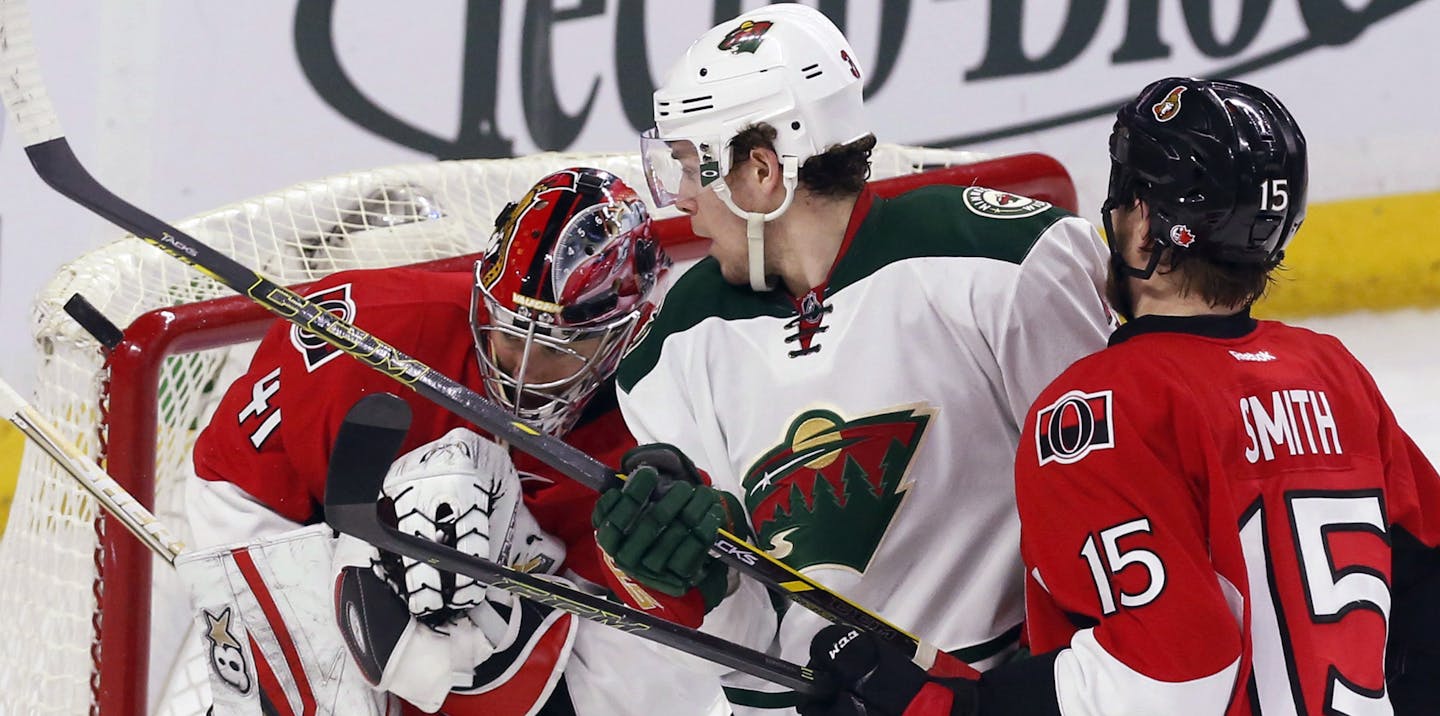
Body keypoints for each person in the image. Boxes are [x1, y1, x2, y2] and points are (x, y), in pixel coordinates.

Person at [798, 78, 1440, 715]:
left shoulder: (1098, 406)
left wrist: (959, 707)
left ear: (1142, 226)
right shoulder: (1332, 372)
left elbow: (1174, 674)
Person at [589, 4, 1115, 713]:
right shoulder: (676, 344)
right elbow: (747, 639)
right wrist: (694, 581)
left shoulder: (999, 266)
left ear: (760, 172)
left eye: (688, 165)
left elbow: (1117, 518)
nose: (681, 199)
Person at [179, 167, 729, 715]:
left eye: (558, 349)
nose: (522, 370)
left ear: (627, 334)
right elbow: (237, 478)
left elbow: (651, 651)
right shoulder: (377, 334)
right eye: (509, 333)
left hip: (525, 634)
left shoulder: (660, 417)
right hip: (308, 544)